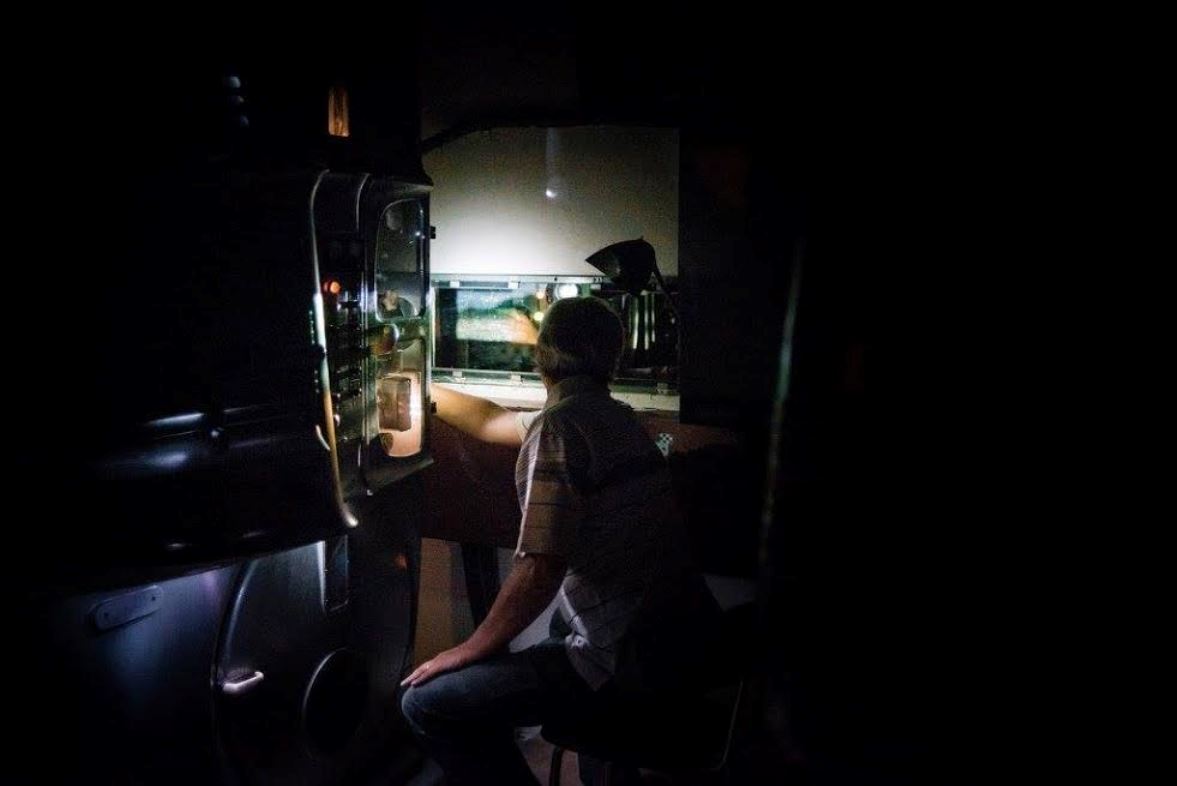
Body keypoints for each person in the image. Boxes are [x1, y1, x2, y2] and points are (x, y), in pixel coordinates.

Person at [400, 296, 718, 786]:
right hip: (669, 642)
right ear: (613, 359)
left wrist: (467, 649)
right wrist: (413, 385)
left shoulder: (559, 429)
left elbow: (539, 569)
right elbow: (488, 421)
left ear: (540, 355)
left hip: (619, 660)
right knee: (545, 631)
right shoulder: (614, 418)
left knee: (425, 703)